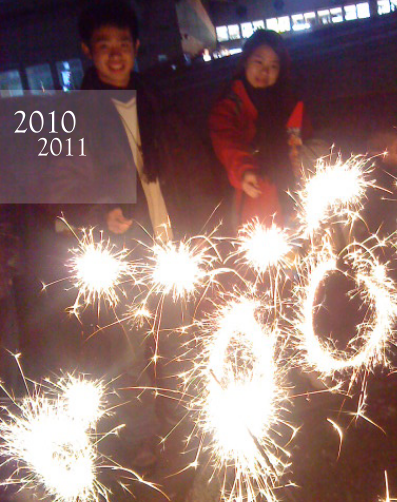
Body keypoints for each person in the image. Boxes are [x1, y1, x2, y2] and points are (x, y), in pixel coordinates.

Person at [74, 0, 218, 476]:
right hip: (120, 255)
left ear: (136, 47)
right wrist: (100, 212)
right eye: (104, 45)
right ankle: (142, 436)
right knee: (130, 351)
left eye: (123, 44)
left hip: (168, 243)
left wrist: (196, 230)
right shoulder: (76, 115)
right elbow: (63, 185)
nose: (115, 54)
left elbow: (188, 171)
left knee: (177, 338)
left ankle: (183, 424)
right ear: (87, 51)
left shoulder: (155, 100)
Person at [209, 30, 309, 231]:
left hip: (295, 194)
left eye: (273, 66)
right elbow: (225, 140)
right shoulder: (231, 105)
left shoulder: (288, 102)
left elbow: (304, 138)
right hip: (256, 198)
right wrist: (243, 170)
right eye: (259, 62)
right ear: (245, 61)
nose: (265, 72)